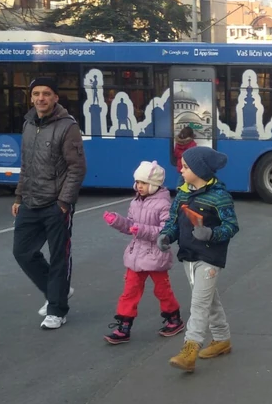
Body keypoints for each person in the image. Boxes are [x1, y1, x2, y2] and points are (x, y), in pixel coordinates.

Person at [12, 77, 87, 330]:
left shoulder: (68, 127)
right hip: (30, 202)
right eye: (36, 94)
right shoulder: (28, 123)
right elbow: (26, 165)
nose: (40, 98)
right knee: (22, 252)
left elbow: (77, 168)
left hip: (55, 204)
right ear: (31, 97)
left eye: (46, 93)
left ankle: (57, 309)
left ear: (56, 97)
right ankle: (58, 291)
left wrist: (64, 203)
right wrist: (19, 197)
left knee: (59, 258)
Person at [159, 147, 240, 373]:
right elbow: (173, 221)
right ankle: (222, 339)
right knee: (209, 299)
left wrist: (212, 234)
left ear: (199, 169)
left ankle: (190, 350)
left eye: (185, 167)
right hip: (189, 255)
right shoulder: (183, 192)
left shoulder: (220, 196)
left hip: (210, 257)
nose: (181, 170)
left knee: (199, 303)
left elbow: (231, 226)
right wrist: (166, 235)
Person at [102, 161, 184, 344]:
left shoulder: (163, 204)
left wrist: (141, 230)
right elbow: (131, 226)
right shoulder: (135, 202)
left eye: (144, 183)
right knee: (129, 291)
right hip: (136, 256)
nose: (139, 186)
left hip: (156, 255)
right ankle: (124, 326)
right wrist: (117, 221)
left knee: (162, 290)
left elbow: (165, 231)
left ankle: (174, 318)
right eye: (138, 182)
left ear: (154, 184)